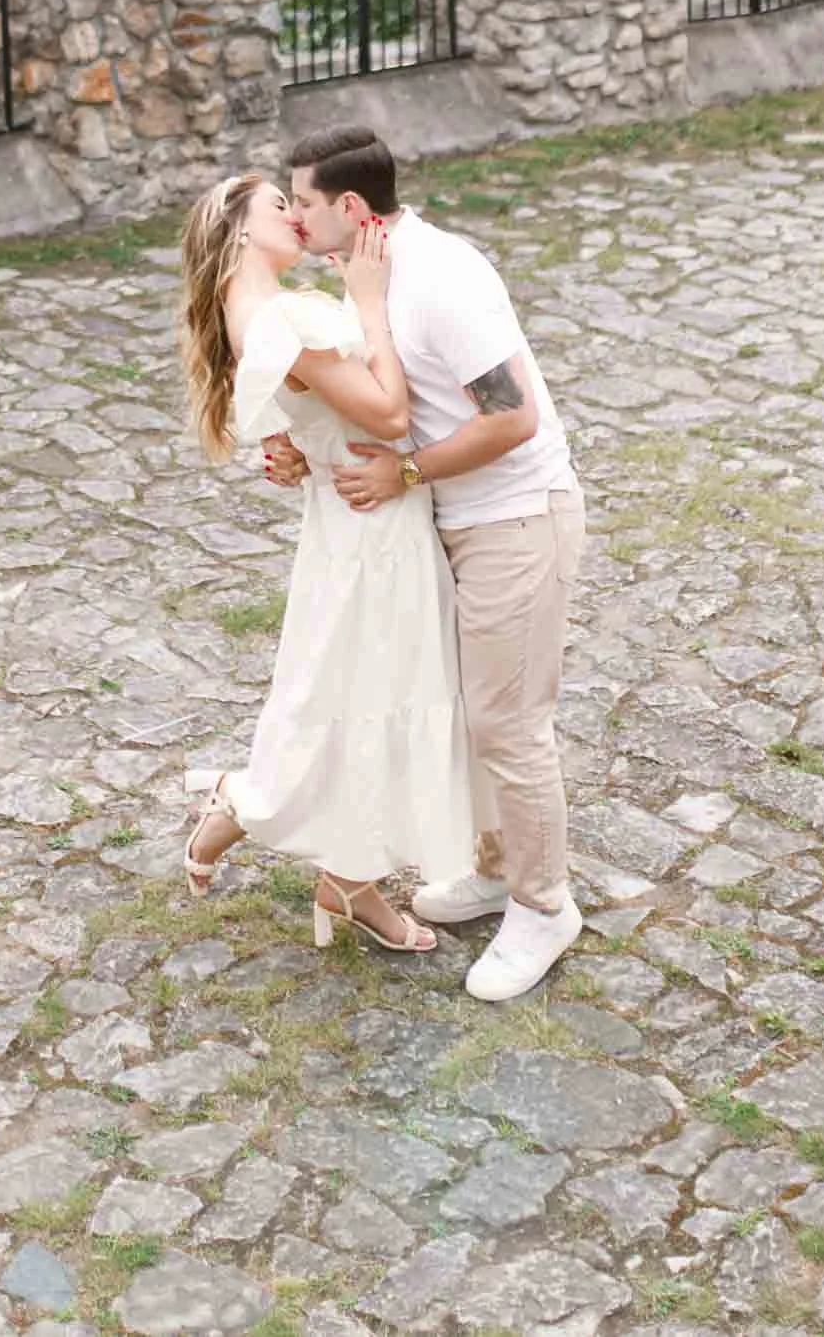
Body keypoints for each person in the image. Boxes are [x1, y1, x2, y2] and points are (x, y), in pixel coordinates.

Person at [270, 125, 586, 1003]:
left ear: (349, 207)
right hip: (446, 523)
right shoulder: (364, 273)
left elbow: (511, 418)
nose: (292, 217)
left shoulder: (441, 278)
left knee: (509, 724)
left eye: (300, 201)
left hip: (515, 519)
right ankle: (492, 872)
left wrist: (404, 472)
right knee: (467, 714)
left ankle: (543, 907)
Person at [177, 172, 475, 952]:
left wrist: (296, 451)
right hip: (372, 525)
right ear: (241, 232)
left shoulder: (259, 315)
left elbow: (295, 427)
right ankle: (248, 803)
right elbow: (388, 414)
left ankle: (350, 881)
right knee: (369, 693)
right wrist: (369, 299)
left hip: (354, 518)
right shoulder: (283, 315)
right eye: (280, 205)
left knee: (363, 694)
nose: (297, 216)